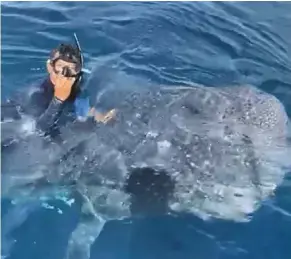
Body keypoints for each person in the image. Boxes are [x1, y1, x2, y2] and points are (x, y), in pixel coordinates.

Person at [26, 39, 116, 139]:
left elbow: (83, 107)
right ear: (50, 67)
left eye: (71, 70)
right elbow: (37, 131)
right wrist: (58, 99)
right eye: (60, 67)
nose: (64, 74)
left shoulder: (77, 88)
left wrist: (102, 118)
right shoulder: (38, 94)